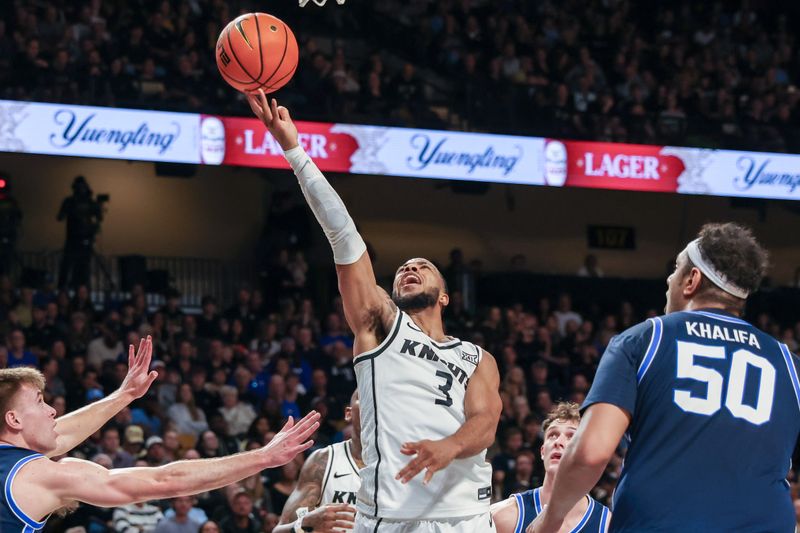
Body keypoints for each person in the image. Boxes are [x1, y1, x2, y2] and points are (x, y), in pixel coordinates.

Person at [248, 91, 501, 533]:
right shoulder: (381, 324)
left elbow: (485, 421)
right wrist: (294, 151)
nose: (411, 267)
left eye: (425, 267)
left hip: (466, 516)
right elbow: (344, 236)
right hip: (393, 515)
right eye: (404, 266)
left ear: (445, 296)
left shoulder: (477, 357)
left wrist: (448, 446)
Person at [529, 223, 798, 532]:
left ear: (691, 280)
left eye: (675, 269)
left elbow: (591, 453)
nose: (669, 279)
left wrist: (550, 519)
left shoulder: (645, 339)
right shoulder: (788, 362)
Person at [0, 336, 320, 532]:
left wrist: (123, 395)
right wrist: (262, 457)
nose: (53, 411)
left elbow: (62, 435)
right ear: (13, 419)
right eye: (41, 403)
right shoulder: (39, 475)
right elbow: (163, 481)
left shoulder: (17, 460)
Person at [491, 402, 610, 533]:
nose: (558, 442)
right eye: (552, 435)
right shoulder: (505, 515)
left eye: (571, 436)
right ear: (542, 451)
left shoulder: (607, 525)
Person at [274, 391, 363, 533]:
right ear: (348, 413)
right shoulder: (324, 461)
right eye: (366, 397)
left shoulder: (403, 465)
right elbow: (279, 530)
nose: (373, 406)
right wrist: (304, 525)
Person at [56, 175, 105, 289]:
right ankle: (64, 287)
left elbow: (99, 218)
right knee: (68, 265)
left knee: (83, 267)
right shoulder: (70, 201)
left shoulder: (89, 202)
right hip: (73, 239)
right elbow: (60, 217)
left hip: (86, 240)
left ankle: (81, 287)